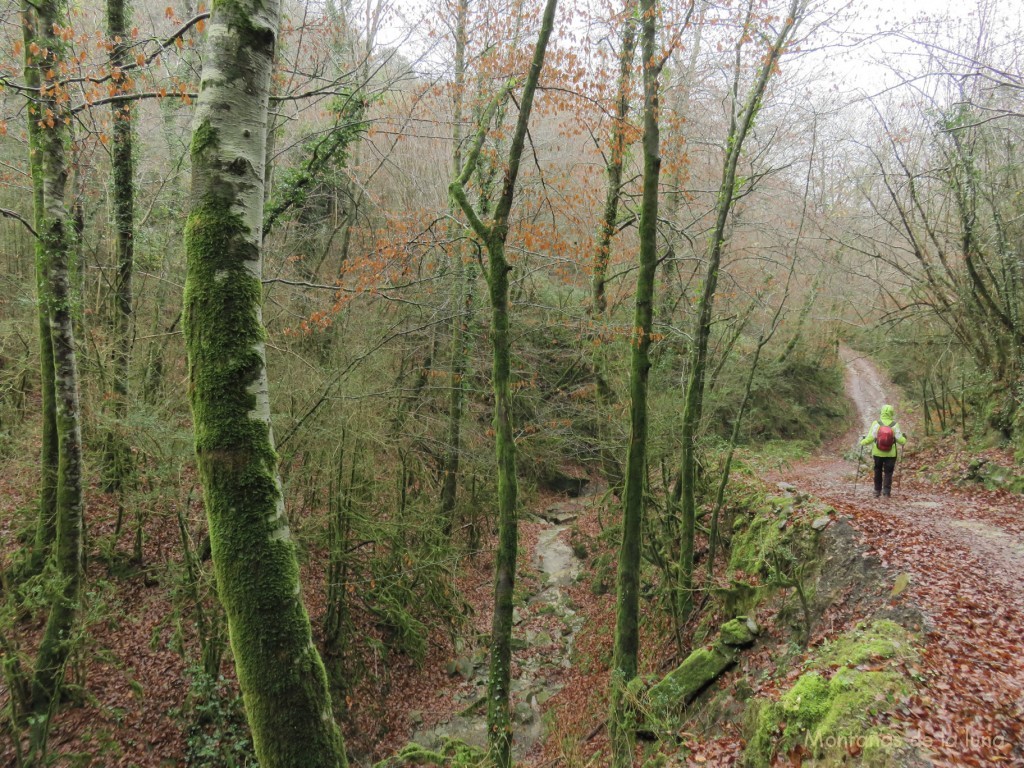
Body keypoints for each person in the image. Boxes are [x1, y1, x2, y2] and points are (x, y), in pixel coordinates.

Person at [859, 404, 907, 497]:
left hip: (877, 452)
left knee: (877, 470)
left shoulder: (876, 424)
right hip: (891, 454)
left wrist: (863, 442)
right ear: (891, 413)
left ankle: (877, 491)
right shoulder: (894, 425)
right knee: (888, 472)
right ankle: (886, 492)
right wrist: (905, 439)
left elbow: (870, 438)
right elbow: (901, 440)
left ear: (881, 412)